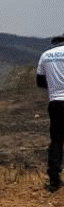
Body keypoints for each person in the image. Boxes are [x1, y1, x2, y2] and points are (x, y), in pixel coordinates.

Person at [37, 33, 64, 192]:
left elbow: (40, 81)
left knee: (56, 141)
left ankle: (54, 181)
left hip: (55, 103)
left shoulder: (45, 55)